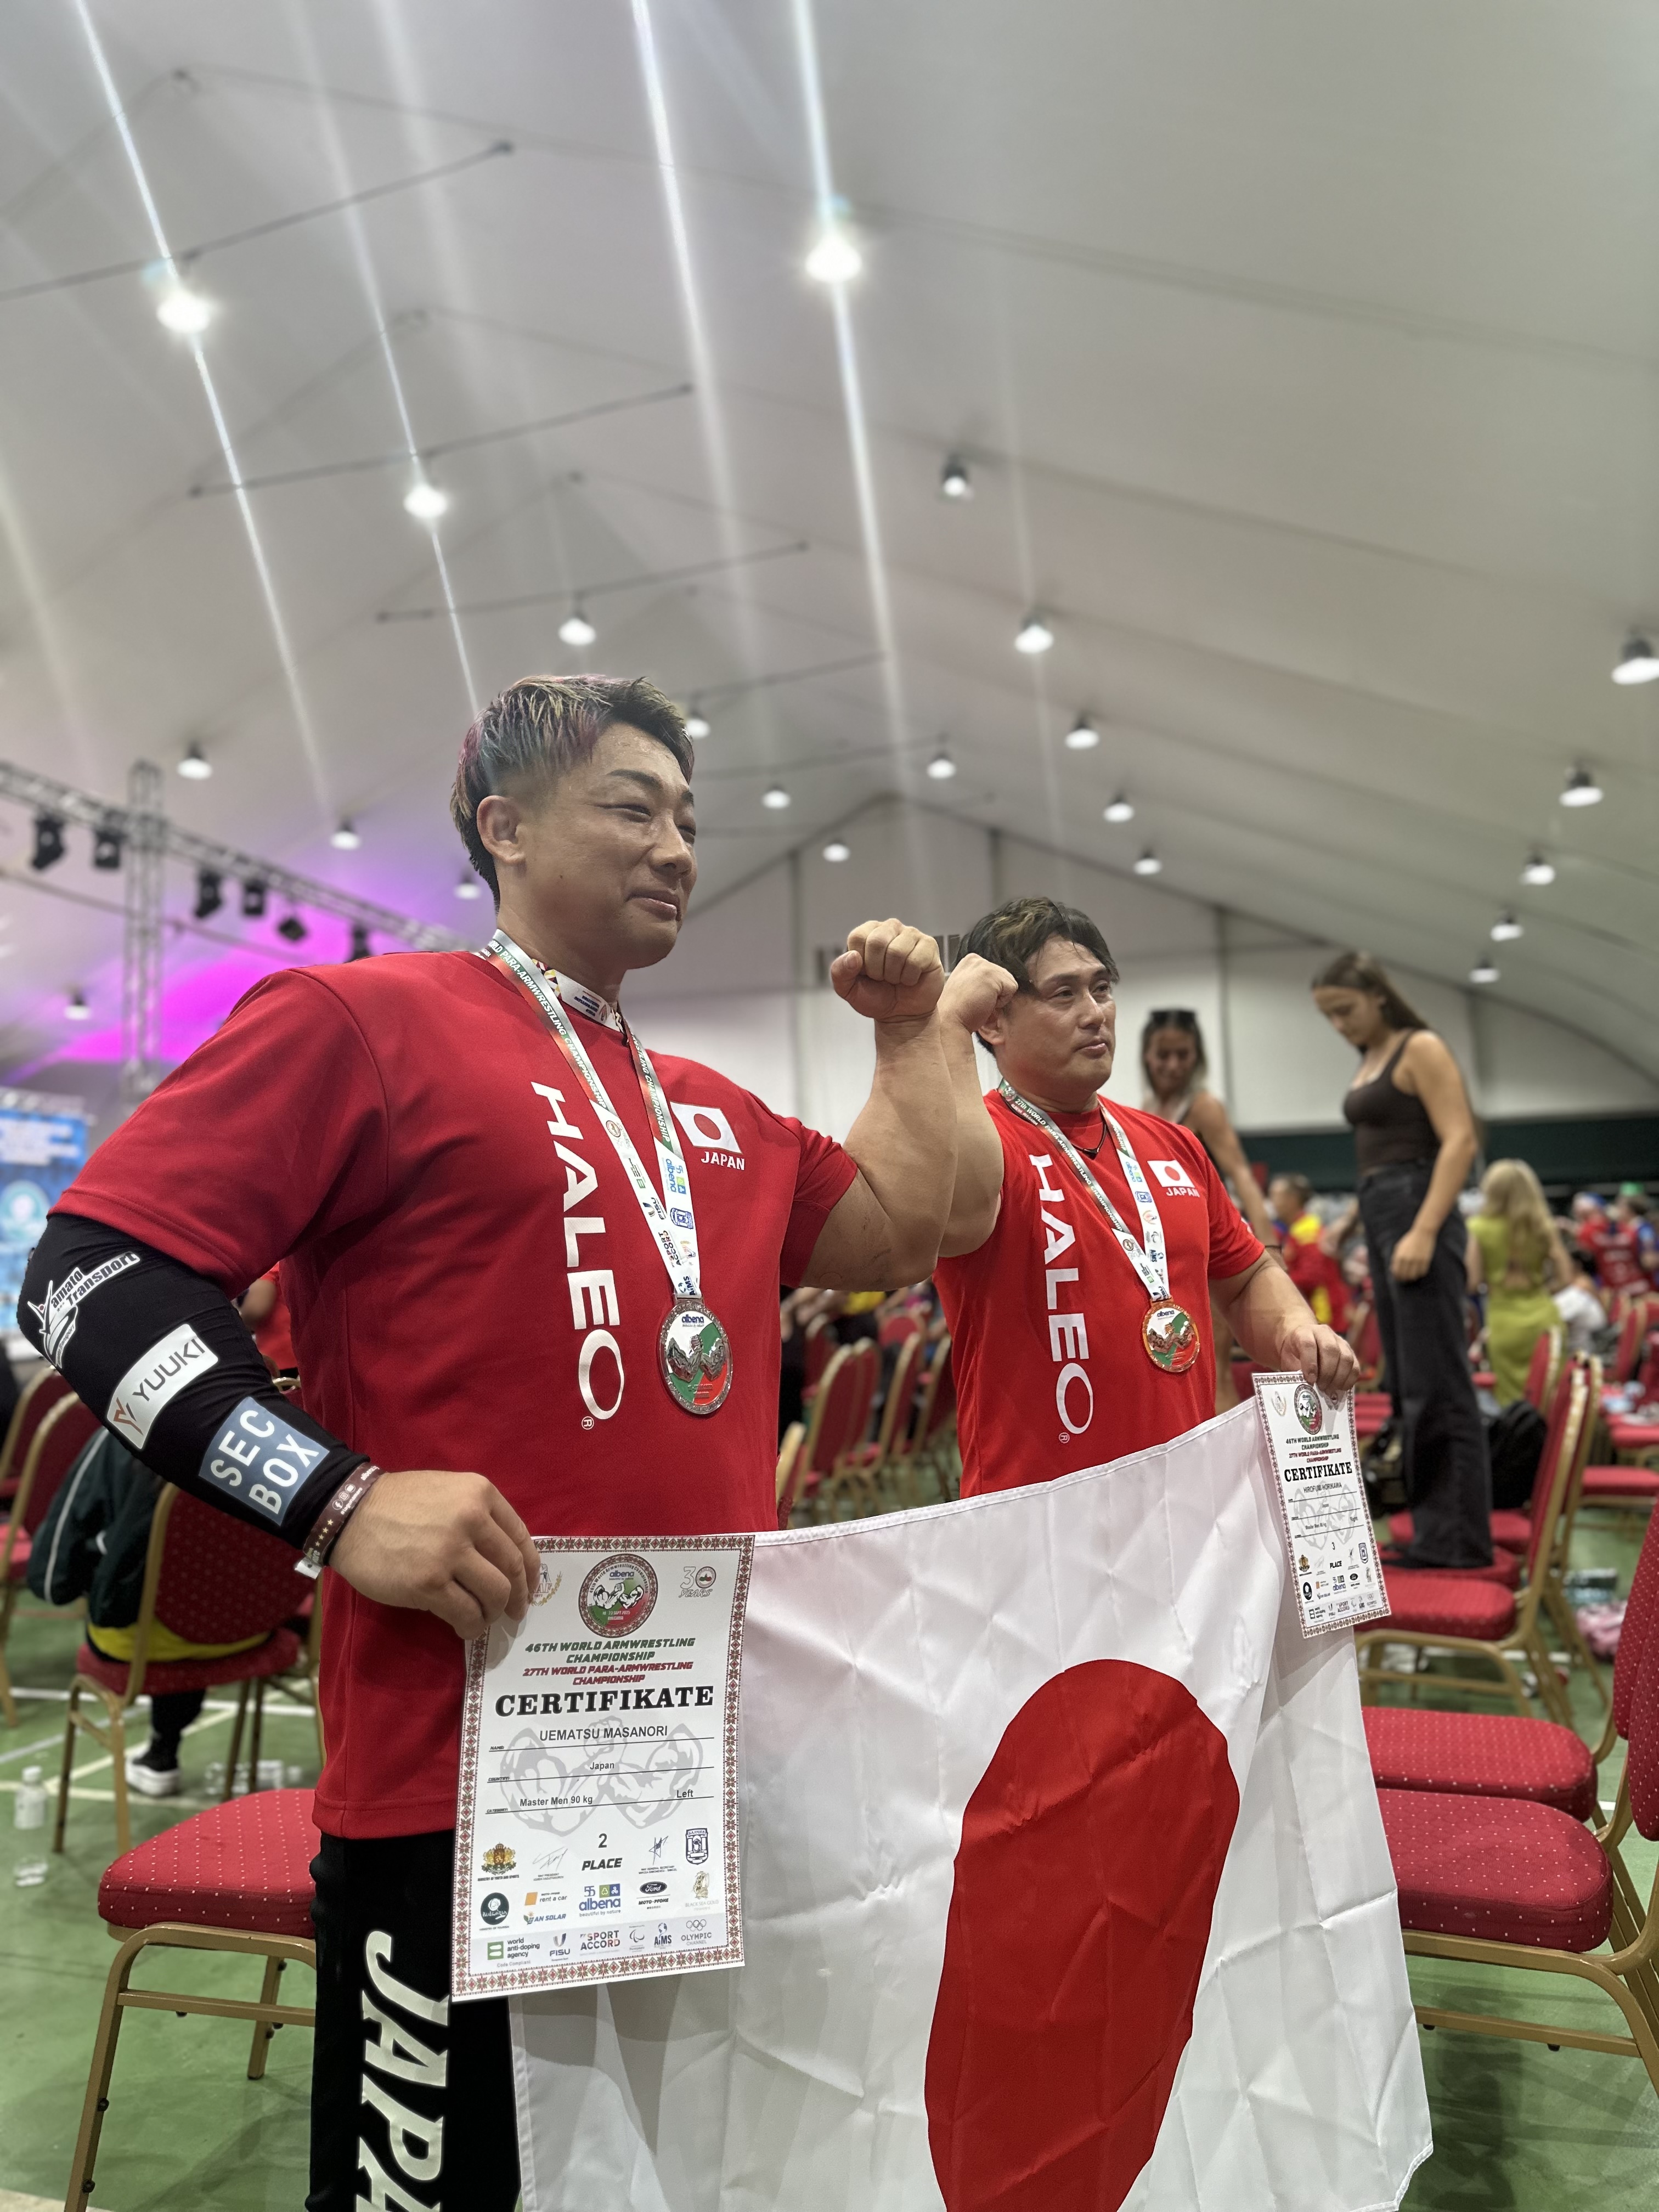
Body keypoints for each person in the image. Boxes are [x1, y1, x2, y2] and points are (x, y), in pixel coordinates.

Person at [19, 673, 1014, 2212]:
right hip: (457, 1776)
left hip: (694, 1757)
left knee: (665, 2176)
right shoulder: (363, 1021)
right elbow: (85, 1275)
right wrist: (336, 1500)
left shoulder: (708, 1110)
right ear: (506, 827)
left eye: (688, 817)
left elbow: (906, 1225)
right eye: (632, 807)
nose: (676, 845)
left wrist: (909, 1037)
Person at [933, 898, 1357, 1498]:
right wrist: (946, 1024)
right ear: (993, 1022)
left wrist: (1293, 1330)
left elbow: (1243, 1277)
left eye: (1102, 989)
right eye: (1064, 995)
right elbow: (955, 1189)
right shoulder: (978, 1147)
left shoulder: (1174, 1144)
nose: (1095, 1014)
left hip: (1186, 1502)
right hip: (1042, 1516)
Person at [1311, 951, 1491, 1567]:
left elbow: (1460, 1140)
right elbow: (1383, 1157)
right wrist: (1353, 1221)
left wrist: (1424, 1229)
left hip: (1418, 1212)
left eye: (1346, 1010)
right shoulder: (1374, 1058)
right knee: (1411, 1383)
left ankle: (1457, 1540)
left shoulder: (1421, 1048)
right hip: (1387, 1211)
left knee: (1438, 1382)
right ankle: (1432, 1527)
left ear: (1378, 996)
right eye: (1329, 1017)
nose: (1340, 1025)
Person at [26, 1427, 210, 1796]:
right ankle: (163, 1744)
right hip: (255, 1629)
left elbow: (52, 1577)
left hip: (147, 1644)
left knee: (140, 1591)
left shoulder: (122, 1433)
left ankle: (163, 1751)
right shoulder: (279, 1438)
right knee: (201, 1584)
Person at [1140, 1007, 1277, 1411]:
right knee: (1175, 1368)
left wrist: (1270, 1248)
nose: (1173, 1065)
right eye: (1163, 1055)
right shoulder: (1146, 1109)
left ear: (1197, 1057)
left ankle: (1229, 1455)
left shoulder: (1204, 1108)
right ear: (1147, 1056)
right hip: (1165, 1257)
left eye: (1183, 1055)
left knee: (1214, 1369)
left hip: (1209, 1252)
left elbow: (1242, 1174)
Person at [1466, 1160, 1569, 1404]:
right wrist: (1543, 1288)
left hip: (1504, 1320)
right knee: (1549, 1399)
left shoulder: (1479, 1228)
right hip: (1545, 1318)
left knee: (1512, 1403)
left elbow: (1473, 1282)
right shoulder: (1544, 1227)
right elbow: (1565, 1278)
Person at [1268, 1172, 1350, 1335]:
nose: (1273, 1203)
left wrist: (1274, 1282)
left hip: (1324, 1317)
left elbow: (1312, 1276)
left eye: (1276, 1196)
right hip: (1315, 1316)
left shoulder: (1307, 1231)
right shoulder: (1295, 1229)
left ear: (1292, 1199)